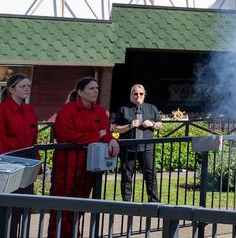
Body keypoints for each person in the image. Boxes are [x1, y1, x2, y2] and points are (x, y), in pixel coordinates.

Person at [50, 77, 118, 238]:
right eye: (91, 88)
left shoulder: (100, 111)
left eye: (97, 88)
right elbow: (65, 135)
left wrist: (112, 140)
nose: (95, 91)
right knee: (61, 206)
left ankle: (74, 234)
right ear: (80, 92)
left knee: (80, 206)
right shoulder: (67, 110)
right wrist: (97, 135)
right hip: (67, 166)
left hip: (88, 167)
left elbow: (105, 132)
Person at [111, 83, 162, 202]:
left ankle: (154, 203)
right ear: (131, 95)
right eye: (135, 94)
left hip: (147, 147)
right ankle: (127, 203)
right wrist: (129, 126)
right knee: (127, 177)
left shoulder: (151, 108)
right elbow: (115, 128)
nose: (138, 96)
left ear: (145, 95)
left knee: (151, 176)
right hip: (129, 148)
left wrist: (152, 124)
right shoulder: (124, 109)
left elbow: (160, 124)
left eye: (141, 93)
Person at [1, 73, 39, 233]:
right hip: (8, 165)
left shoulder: (30, 110)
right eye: (23, 86)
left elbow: (33, 139)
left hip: (27, 164)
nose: (27, 89)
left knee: (22, 210)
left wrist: (37, 164)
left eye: (29, 86)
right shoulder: (3, 110)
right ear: (11, 89)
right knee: (5, 211)